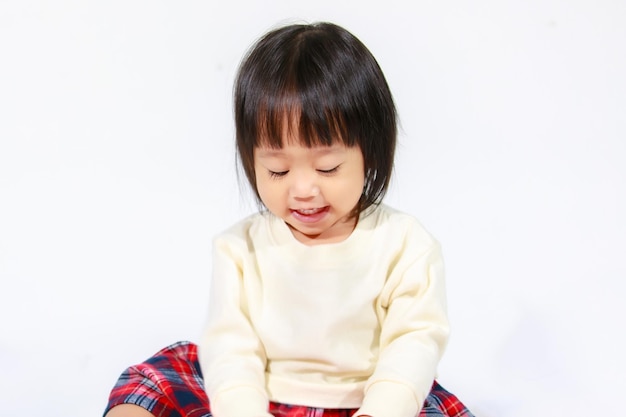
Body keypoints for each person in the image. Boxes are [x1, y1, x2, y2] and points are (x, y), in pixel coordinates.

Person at [103, 21, 475, 417]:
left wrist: (381, 408)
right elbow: (231, 349)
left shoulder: (404, 245)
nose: (302, 189)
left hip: (367, 398)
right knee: (157, 377)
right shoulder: (239, 248)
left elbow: (413, 346)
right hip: (257, 395)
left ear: (371, 153)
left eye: (328, 167)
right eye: (277, 170)